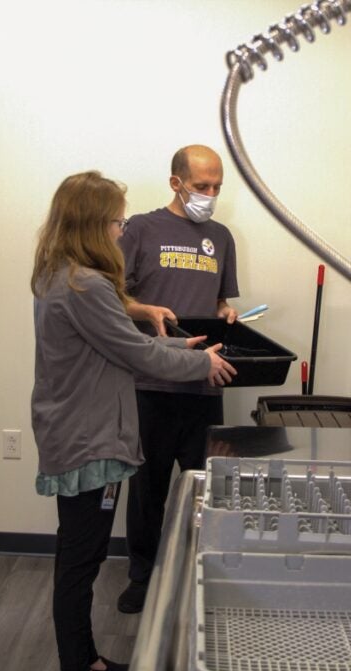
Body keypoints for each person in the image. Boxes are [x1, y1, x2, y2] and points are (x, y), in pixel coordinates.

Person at [30, 170, 236, 671]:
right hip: (88, 440)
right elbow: (133, 353)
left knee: (84, 554)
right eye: (117, 221)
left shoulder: (65, 275)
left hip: (79, 431)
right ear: (92, 224)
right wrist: (201, 364)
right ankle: (76, 670)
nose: (122, 231)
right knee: (81, 560)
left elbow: (124, 343)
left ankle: (87, 659)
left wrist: (181, 346)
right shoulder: (86, 284)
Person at [117, 145, 239, 614]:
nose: (209, 195)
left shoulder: (222, 237)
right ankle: (141, 577)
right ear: (176, 182)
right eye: (202, 186)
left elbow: (221, 301)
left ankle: (198, 575)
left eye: (216, 187)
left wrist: (226, 311)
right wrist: (145, 310)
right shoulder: (141, 230)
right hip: (151, 383)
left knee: (206, 487)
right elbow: (112, 298)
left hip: (204, 382)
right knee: (147, 489)